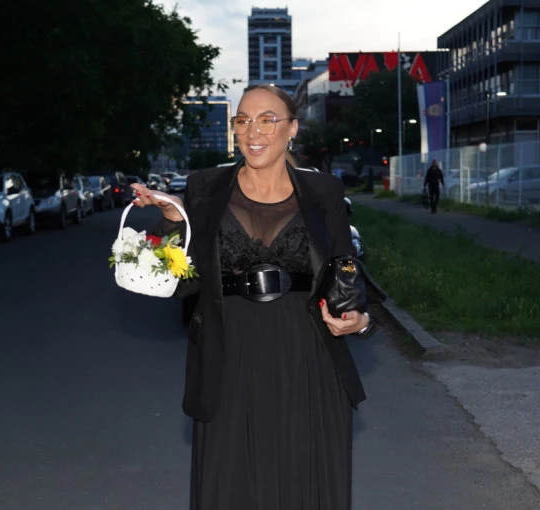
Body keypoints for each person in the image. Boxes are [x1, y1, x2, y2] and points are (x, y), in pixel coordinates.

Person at [129, 84, 382, 510]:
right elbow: (184, 283)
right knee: (232, 485)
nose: (253, 131)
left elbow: (346, 274)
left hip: (307, 359)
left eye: (267, 120)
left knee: (303, 482)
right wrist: (173, 222)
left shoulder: (324, 192)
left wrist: (360, 320)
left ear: (292, 129)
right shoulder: (205, 187)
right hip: (229, 356)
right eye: (243, 121)